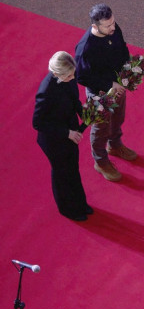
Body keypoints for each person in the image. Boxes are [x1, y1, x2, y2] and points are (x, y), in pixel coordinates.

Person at [75, 3, 137, 182]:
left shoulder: (113, 28)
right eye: (107, 25)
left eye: (113, 23)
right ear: (94, 26)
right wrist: (111, 84)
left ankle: (115, 145)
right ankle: (100, 161)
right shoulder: (85, 48)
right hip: (99, 92)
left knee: (118, 117)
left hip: (118, 84)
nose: (113, 27)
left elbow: (123, 49)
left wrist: (126, 74)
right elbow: (82, 77)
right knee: (100, 127)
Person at [33, 51, 92, 221]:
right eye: (69, 76)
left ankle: (80, 203)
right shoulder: (46, 92)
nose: (73, 78)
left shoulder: (68, 77)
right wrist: (67, 133)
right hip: (54, 140)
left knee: (73, 169)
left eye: (73, 74)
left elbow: (74, 101)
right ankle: (68, 209)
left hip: (71, 132)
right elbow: (37, 123)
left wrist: (87, 116)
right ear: (56, 73)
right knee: (61, 173)